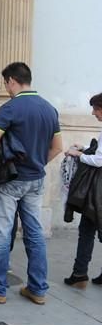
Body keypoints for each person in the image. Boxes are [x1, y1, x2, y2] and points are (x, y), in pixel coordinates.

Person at [0, 62, 62, 306]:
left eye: (6, 83)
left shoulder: (10, 108)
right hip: (36, 180)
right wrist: (36, 163)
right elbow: (58, 148)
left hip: (11, 180)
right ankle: (37, 288)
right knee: (34, 234)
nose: (6, 88)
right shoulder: (49, 109)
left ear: (12, 80)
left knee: (1, 233)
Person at [63, 93, 102, 288]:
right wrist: (86, 147)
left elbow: (100, 159)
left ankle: (79, 274)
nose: (93, 113)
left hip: (98, 191)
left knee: (87, 229)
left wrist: (78, 154)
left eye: (96, 108)